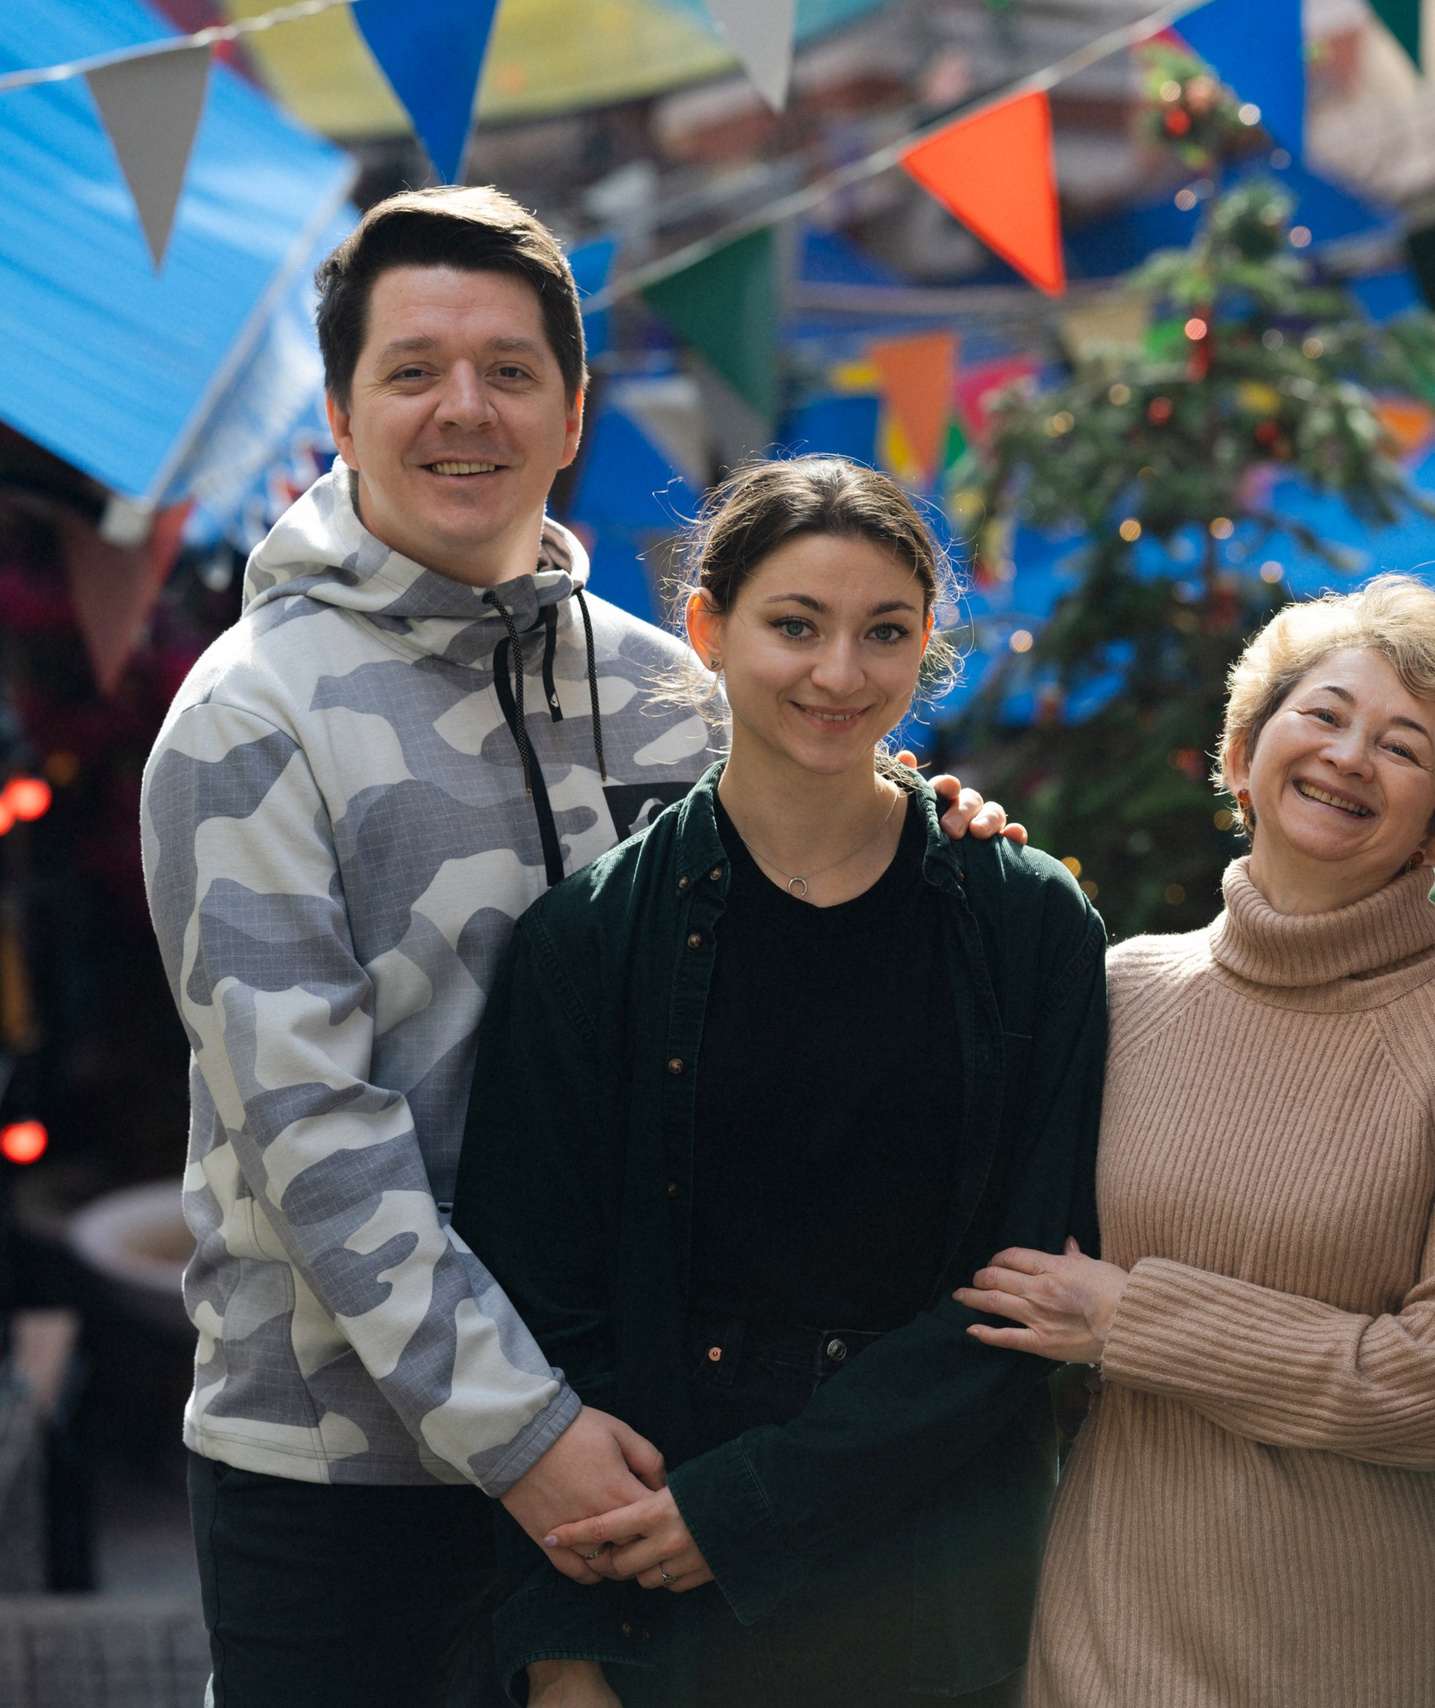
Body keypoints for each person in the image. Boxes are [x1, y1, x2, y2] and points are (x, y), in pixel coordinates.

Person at [139, 188, 1013, 1707]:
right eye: (413, 371)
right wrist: (524, 1437)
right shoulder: (245, 722)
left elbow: (797, 936)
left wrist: (935, 839)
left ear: (572, 410)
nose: (462, 410)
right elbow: (315, 1140)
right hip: (355, 1476)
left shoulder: (667, 688)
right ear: (342, 407)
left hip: (647, 1437)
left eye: (509, 370)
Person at [451, 455, 1108, 1708]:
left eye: (885, 633)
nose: (840, 674)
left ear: (929, 648)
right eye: (795, 626)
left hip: (942, 1601)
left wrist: (745, 1511)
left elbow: (1027, 1296)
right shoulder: (588, 942)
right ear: (706, 628)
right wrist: (563, 1653)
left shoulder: (1027, 922)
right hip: (654, 1602)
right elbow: (534, 1314)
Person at [960, 575, 1435, 1708]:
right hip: (1114, 1636)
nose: (1348, 756)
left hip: (1396, 1653)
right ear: (1245, 751)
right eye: (1323, 714)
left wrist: (1133, 1317)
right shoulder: (1123, 988)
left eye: (1402, 745)